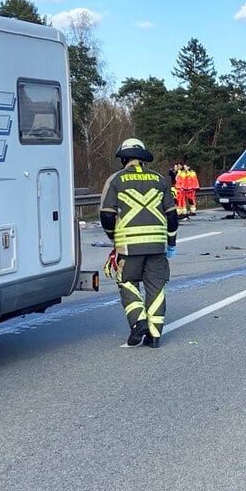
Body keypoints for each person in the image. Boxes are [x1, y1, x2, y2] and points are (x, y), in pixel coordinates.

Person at [100, 138, 178, 348]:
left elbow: (107, 215)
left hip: (129, 246)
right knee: (156, 287)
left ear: (123, 158)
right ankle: (154, 335)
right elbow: (172, 216)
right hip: (157, 245)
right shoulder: (160, 179)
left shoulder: (116, 180)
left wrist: (113, 237)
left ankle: (138, 322)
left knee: (126, 282)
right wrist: (171, 242)